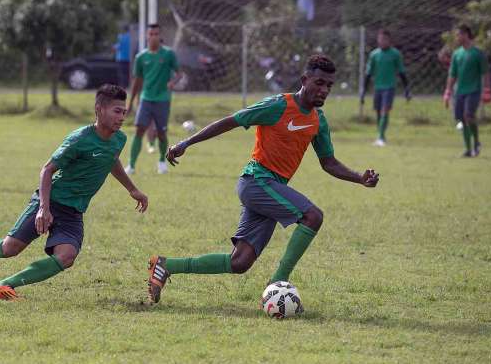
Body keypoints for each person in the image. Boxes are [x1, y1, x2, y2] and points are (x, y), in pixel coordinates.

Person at [146, 55, 380, 304]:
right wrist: (186, 142)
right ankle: (278, 284)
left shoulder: (318, 120)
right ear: (304, 80)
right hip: (256, 181)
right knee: (313, 216)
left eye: (329, 86)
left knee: (240, 262)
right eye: (319, 83)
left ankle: (164, 265)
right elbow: (231, 121)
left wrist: (359, 178)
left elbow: (328, 162)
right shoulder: (278, 105)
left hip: (272, 188)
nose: (324, 90)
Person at [0, 85, 148, 300]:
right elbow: (48, 169)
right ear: (99, 110)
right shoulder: (79, 139)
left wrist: (132, 189)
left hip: (73, 211)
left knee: (66, 257)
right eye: (117, 111)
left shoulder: (119, 139)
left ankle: (4, 285)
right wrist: (43, 209)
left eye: (124, 112)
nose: (122, 117)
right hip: (51, 200)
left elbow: (111, 159)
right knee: (9, 248)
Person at [125, 23, 182, 175]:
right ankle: (131, 165)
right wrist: (130, 103)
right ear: (147, 36)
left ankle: (162, 162)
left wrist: (173, 82)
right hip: (146, 98)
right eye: (151, 34)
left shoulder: (168, 54)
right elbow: (137, 82)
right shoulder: (141, 57)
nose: (154, 37)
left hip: (163, 99)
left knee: (162, 133)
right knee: (139, 130)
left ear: (160, 36)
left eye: (157, 34)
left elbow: (179, 73)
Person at [443, 24, 491, 157]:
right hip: (459, 91)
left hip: (474, 90)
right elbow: (452, 74)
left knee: (468, 116)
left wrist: (487, 90)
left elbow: (485, 73)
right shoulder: (457, 54)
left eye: (458, 35)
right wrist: (447, 91)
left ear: (466, 35)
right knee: (461, 119)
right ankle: (468, 149)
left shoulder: (477, 53)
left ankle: (476, 143)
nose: (457, 37)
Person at [360, 29, 410, 147]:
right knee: (378, 112)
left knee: (384, 111)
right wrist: (363, 91)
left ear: (389, 40)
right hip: (378, 87)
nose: (381, 41)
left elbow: (402, 73)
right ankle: (381, 135)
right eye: (380, 39)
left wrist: (407, 89)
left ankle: (381, 137)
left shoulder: (395, 54)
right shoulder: (374, 55)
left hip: (390, 87)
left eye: (384, 39)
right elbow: (368, 74)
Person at [114, 24, 131, 89]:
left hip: (121, 58)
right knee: (127, 73)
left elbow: (118, 47)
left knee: (121, 74)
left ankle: (122, 87)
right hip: (128, 58)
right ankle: (127, 85)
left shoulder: (120, 37)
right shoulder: (130, 37)